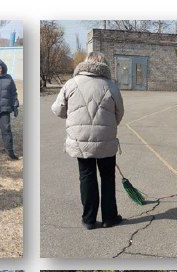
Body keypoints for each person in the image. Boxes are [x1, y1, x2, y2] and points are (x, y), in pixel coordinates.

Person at [52, 52, 125, 230]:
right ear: (105, 65)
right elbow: (119, 113)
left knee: (87, 177)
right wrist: (106, 125)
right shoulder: (111, 86)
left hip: (80, 140)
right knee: (108, 178)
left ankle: (89, 219)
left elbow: (58, 110)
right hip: (106, 140)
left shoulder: (71, 83)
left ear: (85, 63)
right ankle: (110, 217)